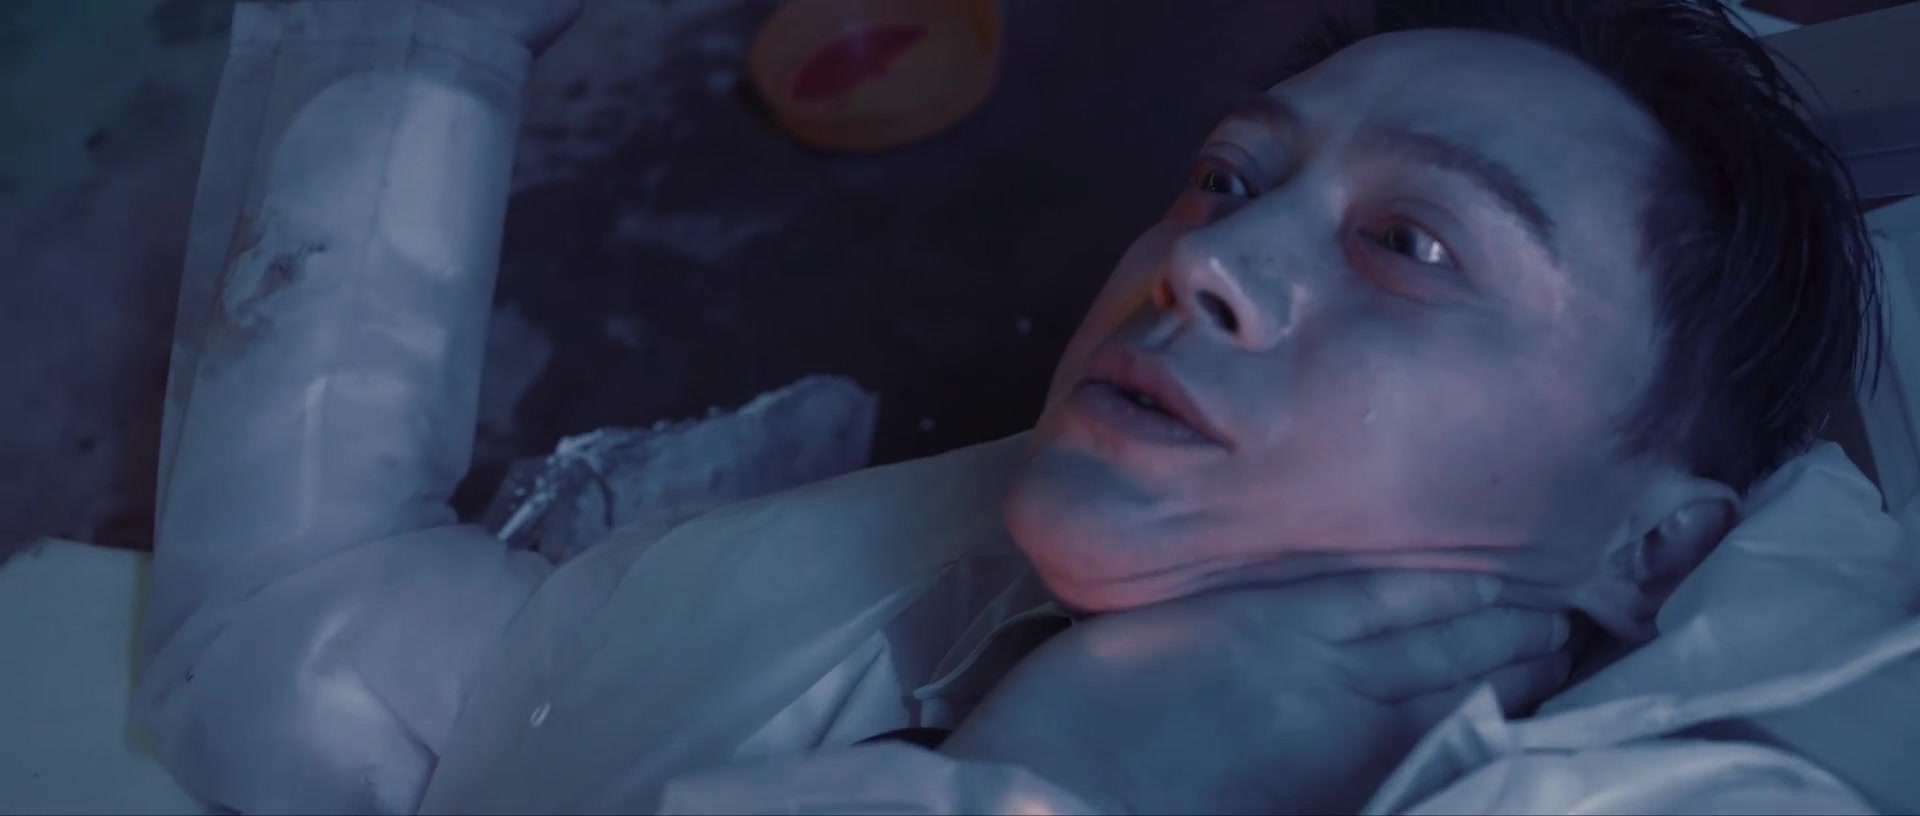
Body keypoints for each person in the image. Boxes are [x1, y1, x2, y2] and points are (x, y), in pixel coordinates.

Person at [136, 0, 1885, 813]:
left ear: (1655, 550)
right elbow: (294, 687)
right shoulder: (947, 574)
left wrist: (1058, 794)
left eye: (1413, 243)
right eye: (1226, 178)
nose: (1207, 261)